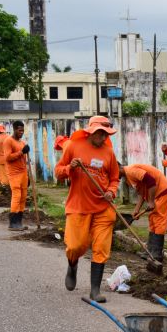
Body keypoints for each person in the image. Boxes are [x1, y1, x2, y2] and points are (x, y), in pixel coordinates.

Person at [55, 116, 120, 303]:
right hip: (79, 206)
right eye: (99, 133)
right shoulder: (73, 146)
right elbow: (58, 172)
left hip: (103, 208)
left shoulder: (109, 153)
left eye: (105, 133)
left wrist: (111, 191)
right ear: (90, 131)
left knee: (101, 248)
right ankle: (72, 264)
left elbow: (115, 178)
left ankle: (95, 290)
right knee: (76, 245)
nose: (102, 137)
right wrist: (69, 168)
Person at [118, 164, 167, 262]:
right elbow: (141, 191)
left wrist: (151, 201)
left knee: (159, 220)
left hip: (162, 191)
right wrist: (137, 209)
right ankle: (150, 251)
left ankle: (156, 254)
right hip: (156, 194)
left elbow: (150, 181)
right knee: (152, 219)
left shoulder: (131, 171)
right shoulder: (128, 177)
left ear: (118, 168)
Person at [4, 121, 30, 231]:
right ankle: (13, 223)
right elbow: (8, 157)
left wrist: (27, 175)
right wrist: (21, 152)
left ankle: (19, 222)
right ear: (14, 129)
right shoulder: (8, 141)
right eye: (19, 130)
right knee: (17, 196)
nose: (21, 132)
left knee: (23, 197)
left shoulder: (22, 143)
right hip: (14, 173)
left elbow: (24, 160)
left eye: (23, 131)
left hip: (23, 173)